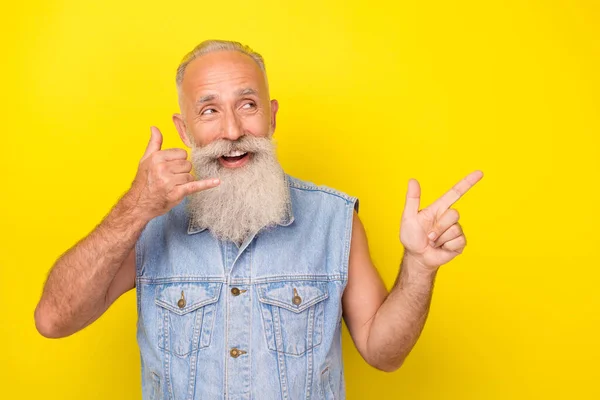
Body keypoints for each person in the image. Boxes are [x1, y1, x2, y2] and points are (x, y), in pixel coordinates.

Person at [34, 40, 483, 399]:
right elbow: (54, 320)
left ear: (270, 117)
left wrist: (419, 267)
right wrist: (135, 206)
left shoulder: (334, 219)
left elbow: (384, 353)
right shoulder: (148, 224)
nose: (231, 132)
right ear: (184, 130)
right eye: (209, 110)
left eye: (247, 105)